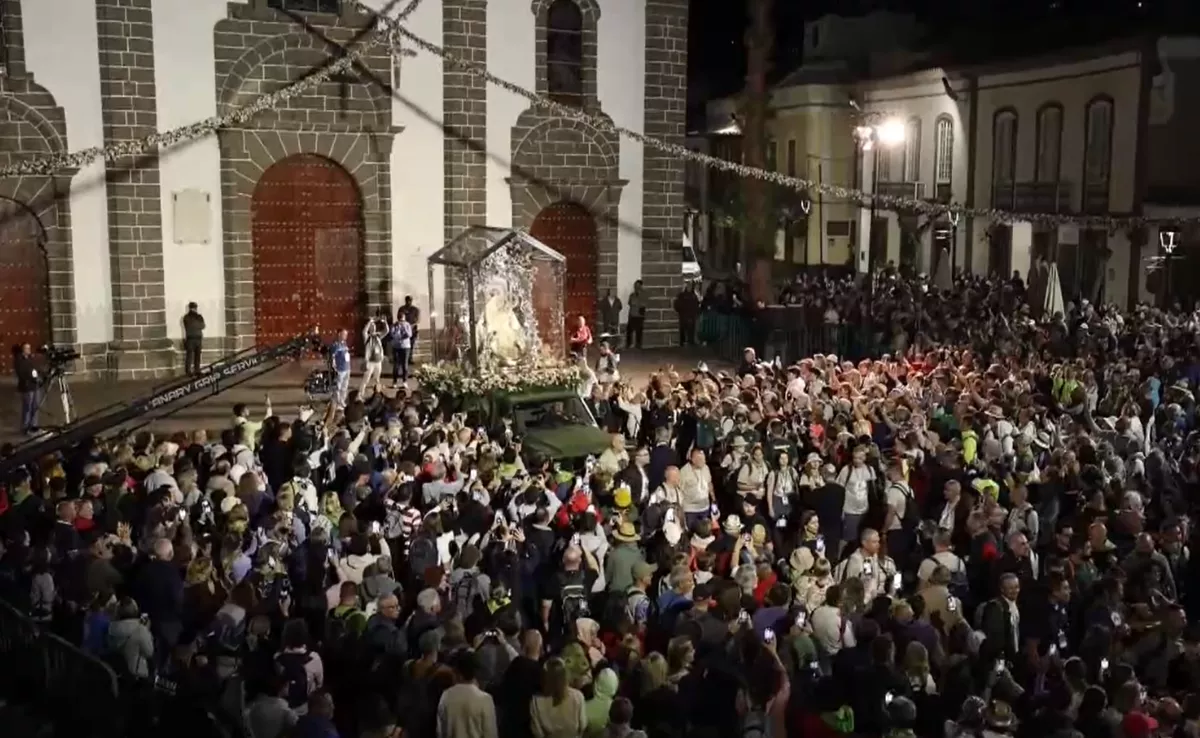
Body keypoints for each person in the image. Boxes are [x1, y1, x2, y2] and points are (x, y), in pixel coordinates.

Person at [361, 310, 388, 397]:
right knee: (366, 379)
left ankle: (377, 394)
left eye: (374, 326)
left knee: (377, 379)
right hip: (370, 362)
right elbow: (364, 331)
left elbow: (386, 331)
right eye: (372, 327)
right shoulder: (367, 337)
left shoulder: (378, 336)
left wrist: (385, 322)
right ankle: (360, 394)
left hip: (378, 361)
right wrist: (370, 321)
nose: (373, 327)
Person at [14, 342, 40, 434]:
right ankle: (25, 426)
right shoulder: (19, 360)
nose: (28, 350)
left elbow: (36, 368)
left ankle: (34, 424)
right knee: (27, 407)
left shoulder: (31, 358)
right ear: (23, 349)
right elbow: (21, 372)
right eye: (26, 348)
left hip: (34, 385)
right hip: (26, 386)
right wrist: (31, 375)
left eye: (29, 348)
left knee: (35, 406)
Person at [391, 309, 414, 388]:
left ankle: (405, 381)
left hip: (405, 347)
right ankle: (394, 382)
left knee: (405, 364)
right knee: (396, 365)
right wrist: (398, 329)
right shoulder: (394, 325)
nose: (401, 321)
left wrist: (404, 327)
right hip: (396, 347)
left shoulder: (407, 325)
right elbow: (393, 335)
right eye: (400, 319)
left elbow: (409, 334)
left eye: (403, 319)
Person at [182, 301, 206, 376]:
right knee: (195, 355)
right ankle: (195, 370)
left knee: (192, 355)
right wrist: (197, 324)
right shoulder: (197, 317)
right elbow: (202, 326)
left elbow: (201, 326)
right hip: (195, 338)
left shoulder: (187, 317)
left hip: (192, 338)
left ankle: (191, 371)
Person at [330, 328, 351, 408]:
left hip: (347, 368)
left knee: (344, 386)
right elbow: (333, 357)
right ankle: (337, 402)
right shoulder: (336, 345)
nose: (346, 336)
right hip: (340, 369)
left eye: (346, 334)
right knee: (338, 387)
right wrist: (334, 366)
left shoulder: (344, 343)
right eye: (344, 334)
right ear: (339, 334)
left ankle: (342, 401)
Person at [626, 280, 647, 349]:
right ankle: (628, 344)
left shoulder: (644, 294)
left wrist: (637, 302)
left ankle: (638, 345)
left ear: (641, 286)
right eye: (635, 286)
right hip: (632, 315)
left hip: (639, 316)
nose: (636, 287)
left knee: (639, 332)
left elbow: (644, 304)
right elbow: (630, 303)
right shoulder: (632, 295)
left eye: (638, 285)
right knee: (629, 330)